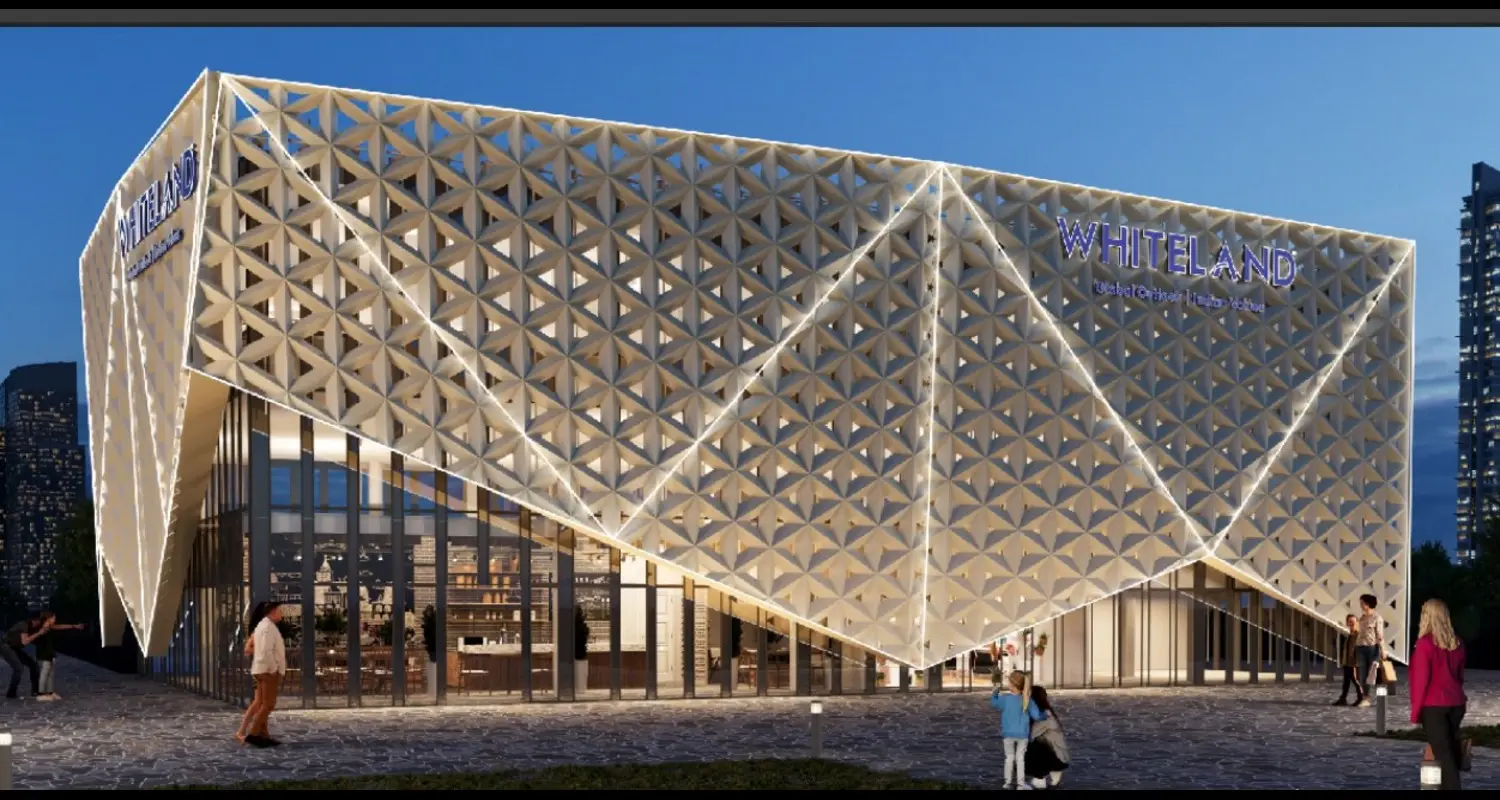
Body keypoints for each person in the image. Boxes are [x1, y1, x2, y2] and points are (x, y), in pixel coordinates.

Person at [1409, 598, 1467, 791]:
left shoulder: (1424, 645)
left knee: (1444, 757)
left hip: (1434, 706)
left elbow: (1420, 682)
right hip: (1456, 703)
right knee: (1448, 751)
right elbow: (1459, 677)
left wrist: (1416, 712)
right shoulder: (1457, 643)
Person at [236, 601, 287, 748]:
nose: (281, 613)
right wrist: (272, 669)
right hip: (266, 671)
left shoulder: (264, 626)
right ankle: (253, 734)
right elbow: (264, 651)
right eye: (279, 610)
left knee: (261, 703)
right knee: (267, 704)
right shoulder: (266, 628)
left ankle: (263, 735)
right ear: (272, 612)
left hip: (260, 669)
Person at [991, 669, 1045, 790]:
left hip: (1008, 734)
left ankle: (1007, 783)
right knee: (1020, 759)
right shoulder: (1027, 699)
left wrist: (995, 691)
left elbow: (994, 703)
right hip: (1023, 735)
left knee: (1009, 758)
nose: (1008, 684)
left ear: (1012, 684)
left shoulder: (1005, 699)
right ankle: (1021, 785)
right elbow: (1036, 716)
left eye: (1009, 682)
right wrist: (1045, 715)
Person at [30, 611, 87, 702]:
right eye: (53, 618)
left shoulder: (48, 627)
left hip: (47, 653)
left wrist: (73, 626)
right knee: (44, 673)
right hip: (45, 654)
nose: (55, 620)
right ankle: (41, 694)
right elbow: (45, 644)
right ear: (48, 619)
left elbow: (59, 627)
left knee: (50, 673)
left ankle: (50, 692)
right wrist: (51, 655)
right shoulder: (44, 629)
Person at [1025, 684, 1070, 789]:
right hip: (1057, 756)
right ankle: (1053, 772)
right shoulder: (1044, 712)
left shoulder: (1043, 716)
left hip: (1057, 758)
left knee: (1026, 748)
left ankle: (1039, 779)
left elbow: (1030, 736)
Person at [0, 612, 52, 700]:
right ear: (34, 620)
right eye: (39, 621)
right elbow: (24, 642)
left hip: (14, 647)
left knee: (34, 666)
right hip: (5, 646)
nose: (41, 624)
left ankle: (35, 691)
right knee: (19, 668)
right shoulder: (23, 625)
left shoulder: (33, 627)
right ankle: (11, 693)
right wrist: (39, 633)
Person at [1353, 593, 1385, 708]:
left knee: (1371, 675)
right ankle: (1366, 697)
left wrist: (1383, 650)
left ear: (1367, 604)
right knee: (1362, 674)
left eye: (1362, 603)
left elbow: (1380, 636)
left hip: (1372, 648)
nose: (1361, 605)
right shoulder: (1361, 617)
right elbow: (1357, 632)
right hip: (1360, 647)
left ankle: (1375, 696)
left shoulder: (1377, 618)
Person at [1332, 614, 1364, 707]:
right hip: (1347, 662)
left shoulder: (1359, 635)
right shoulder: (1350, 635)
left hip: (1354, 663)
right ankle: (1343, 698)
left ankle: (1361, 697)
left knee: (1355, 680)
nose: (1352, 624)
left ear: (1357, 623)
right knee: (1346, 681)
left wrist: (1356, 663)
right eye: (1350, 622)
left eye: (1353, 622)